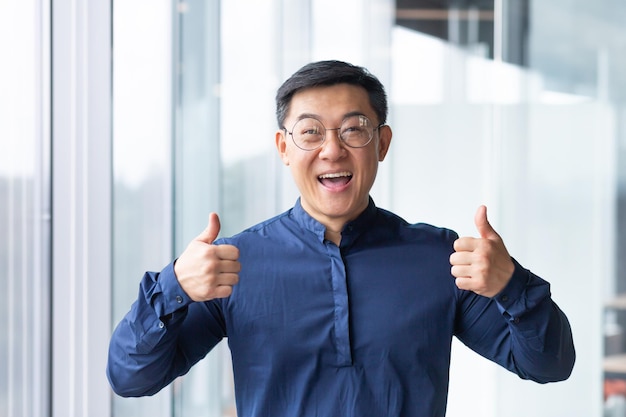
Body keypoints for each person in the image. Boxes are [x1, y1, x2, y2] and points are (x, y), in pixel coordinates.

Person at [107, 60, 575, 416]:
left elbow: (548, 365)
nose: (332, 149)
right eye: (310, 132)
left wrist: (511, 284)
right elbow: (130, 378)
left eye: (354, 129)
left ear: (382, 143)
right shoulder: (234, 263)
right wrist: (173, 286)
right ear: (284, 149)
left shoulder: (440, 258)